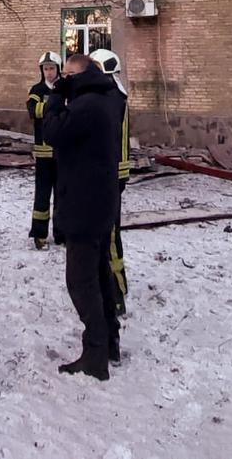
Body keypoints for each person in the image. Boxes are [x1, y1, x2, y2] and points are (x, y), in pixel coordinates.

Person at [43, 52, 123, 380]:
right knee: (100, 273)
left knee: (80, 280)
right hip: (99, 201)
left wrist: (54, 98)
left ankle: (95, 354)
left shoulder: (87, 104)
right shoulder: (106, 98)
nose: (61, 78)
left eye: (67, 74)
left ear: (80, 76)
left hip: (83, 203)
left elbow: (53, 132)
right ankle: (109, 343)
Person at [89, 47, 130, 315]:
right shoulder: (117, 94)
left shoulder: (110, 98)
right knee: (110, 232)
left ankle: (115, 290)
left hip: (110, 173)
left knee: (109, 234)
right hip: (115, 171)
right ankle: (117, 284)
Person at [27, 50, 64, 248]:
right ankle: (39, 234)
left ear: (58, 68)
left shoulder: (65, 88)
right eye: (45, 69)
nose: (48, 72)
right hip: (43, 153)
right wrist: (53, 107)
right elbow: (33, 111)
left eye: (51, 68)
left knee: (62, 195)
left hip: (62, 151)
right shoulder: (36, 89)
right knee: (42, 195)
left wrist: (50, 107)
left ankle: (61, 233)